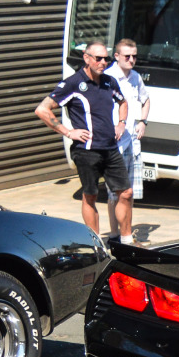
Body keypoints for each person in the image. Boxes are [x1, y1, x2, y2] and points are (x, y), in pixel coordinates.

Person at [35, 40, 129, 240]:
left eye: (106, 58)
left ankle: (127, 240)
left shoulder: (109, 81)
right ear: (86, 58)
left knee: (126, 192)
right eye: (98, 58)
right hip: (86, 150)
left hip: (110, 148)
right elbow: (42, 109)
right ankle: (96, 244)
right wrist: (68, 132)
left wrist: (121, 123)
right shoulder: (73, 83)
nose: (103, 62)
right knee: (90, 195)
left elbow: (123, 102)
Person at [105, 39, 151, 241]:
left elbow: (146, 99)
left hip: (132, 141)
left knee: (129, 192)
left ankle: (126, 233)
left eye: (134, 56)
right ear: (117, 56)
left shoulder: (136, 77)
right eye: (127, 56)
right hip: (114, 144)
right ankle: (115, 233)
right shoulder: (107, 77)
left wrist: (143, 121)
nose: (131, 60)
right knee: (115, 193)